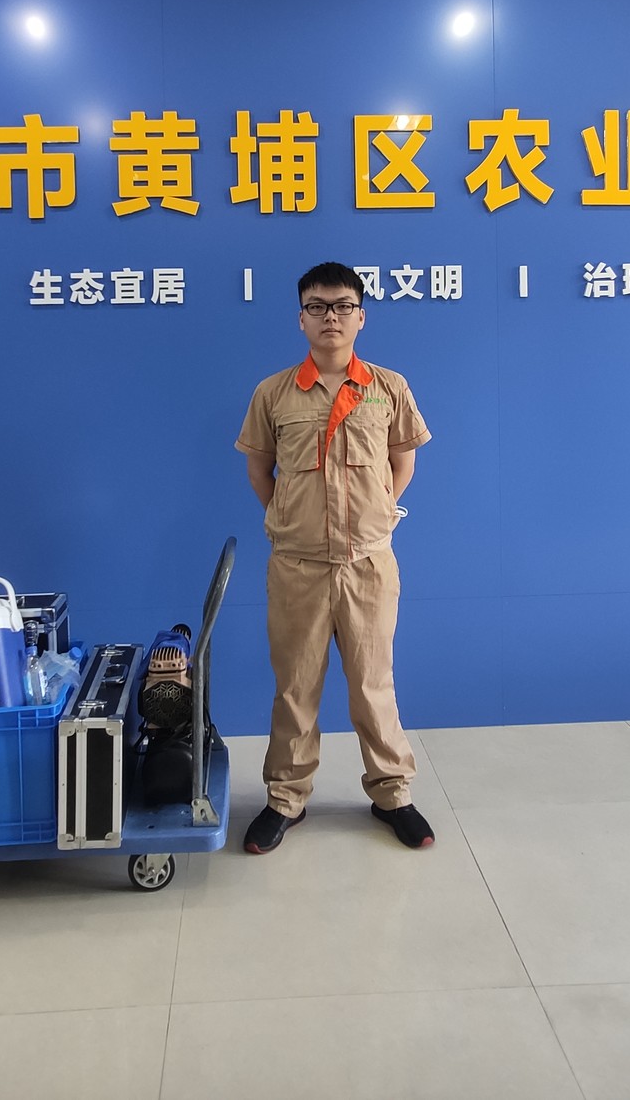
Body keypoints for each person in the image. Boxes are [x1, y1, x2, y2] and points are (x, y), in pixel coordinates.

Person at [234, 261, 434, 852]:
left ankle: (392, 793)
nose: (331, 317)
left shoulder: (388, 387)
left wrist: (379, 513)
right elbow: (259, 469)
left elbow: (403, 461)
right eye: (318, 307)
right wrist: (290, 519)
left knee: (373, 683)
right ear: (301, 318)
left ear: (361, 317)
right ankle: (285, 798)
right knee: (295, 687)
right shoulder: (273, 393)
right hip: (297, 567)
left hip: (369, 564)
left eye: (343, 306)